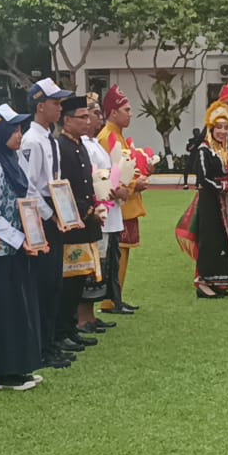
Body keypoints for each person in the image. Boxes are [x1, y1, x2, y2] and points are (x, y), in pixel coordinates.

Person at [0, 104, 46, 390]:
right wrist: (19, 239)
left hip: (17, 247)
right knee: (3, 309)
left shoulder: (12, 162)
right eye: (13, 130)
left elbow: (25, 201)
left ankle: (20, 367)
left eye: (20, 129)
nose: (19, 135)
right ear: (0, 132)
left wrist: (33, 233)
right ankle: (4, 373)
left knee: (19, 306)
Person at [21, 77, 82, 366]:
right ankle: (42, 347)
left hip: (55, 211)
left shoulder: (49, 139)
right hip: (42, 216)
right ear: (40, 106)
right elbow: (30, 187)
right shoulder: (32, 140)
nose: (60, 108)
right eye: (55, 103)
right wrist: (51, 216)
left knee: (54, 282)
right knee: (43, 284)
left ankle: (52, 341)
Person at [177, 101, 228, 297]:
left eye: (226, 128)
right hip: (209, 202)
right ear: (211, 128)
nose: (223, 132)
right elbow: (203, 178)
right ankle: (203, 282)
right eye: (219, 127)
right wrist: (223, 186)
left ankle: (218, 282)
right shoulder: (204, 150)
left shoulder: (223, 151)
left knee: (222, 240)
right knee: (209, 240)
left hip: (223, 202)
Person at [55, 95, 104, 347]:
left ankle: (71, 327)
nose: (87, 121)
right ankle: (62, 329)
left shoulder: (80, 145)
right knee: (68, 279)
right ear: (67, 120)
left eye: (88, 116)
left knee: (79, 278)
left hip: (85, 220)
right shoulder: (61, 147)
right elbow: (64, 187)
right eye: (82, 117)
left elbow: (87, 184)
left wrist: (95, 206)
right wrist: (87, 210)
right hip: (71, 221)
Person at [97, 85, 147, 315]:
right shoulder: (108, 137)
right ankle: (110, 301)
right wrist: (135, 184)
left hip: (125, 204)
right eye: (126, 109)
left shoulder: (117, 135)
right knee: (117, 252)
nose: (130, 114)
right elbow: (110, 174)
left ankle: (116, 298)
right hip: (117, 204)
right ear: (113, 112)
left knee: (122, 252)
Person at [81, 100, 125, 328]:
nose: (99, 117)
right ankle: (83, 317)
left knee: (102, 265)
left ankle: (90, 315)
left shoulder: (94, 143)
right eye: (95, 113)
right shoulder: (86, 145)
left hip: (108, 208)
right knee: (92, 266)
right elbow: (94, 177)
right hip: (98, 209)